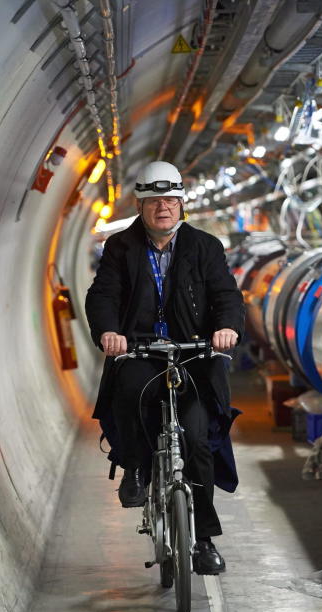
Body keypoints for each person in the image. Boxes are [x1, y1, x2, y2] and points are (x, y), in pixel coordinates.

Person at [85, 161, 244, 575]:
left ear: (182, 204)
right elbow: (103, 295)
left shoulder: (205, 247)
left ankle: (204, 540)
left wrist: (226, 327)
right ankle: (135, 466)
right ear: (141, 205)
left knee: (196, 441)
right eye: (155, 201)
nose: (164, 208)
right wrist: (108, 332)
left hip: (192, 352)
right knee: (132, 395)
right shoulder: (121, 248)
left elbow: (226, 294)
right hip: (139, 349)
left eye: (171, 200)